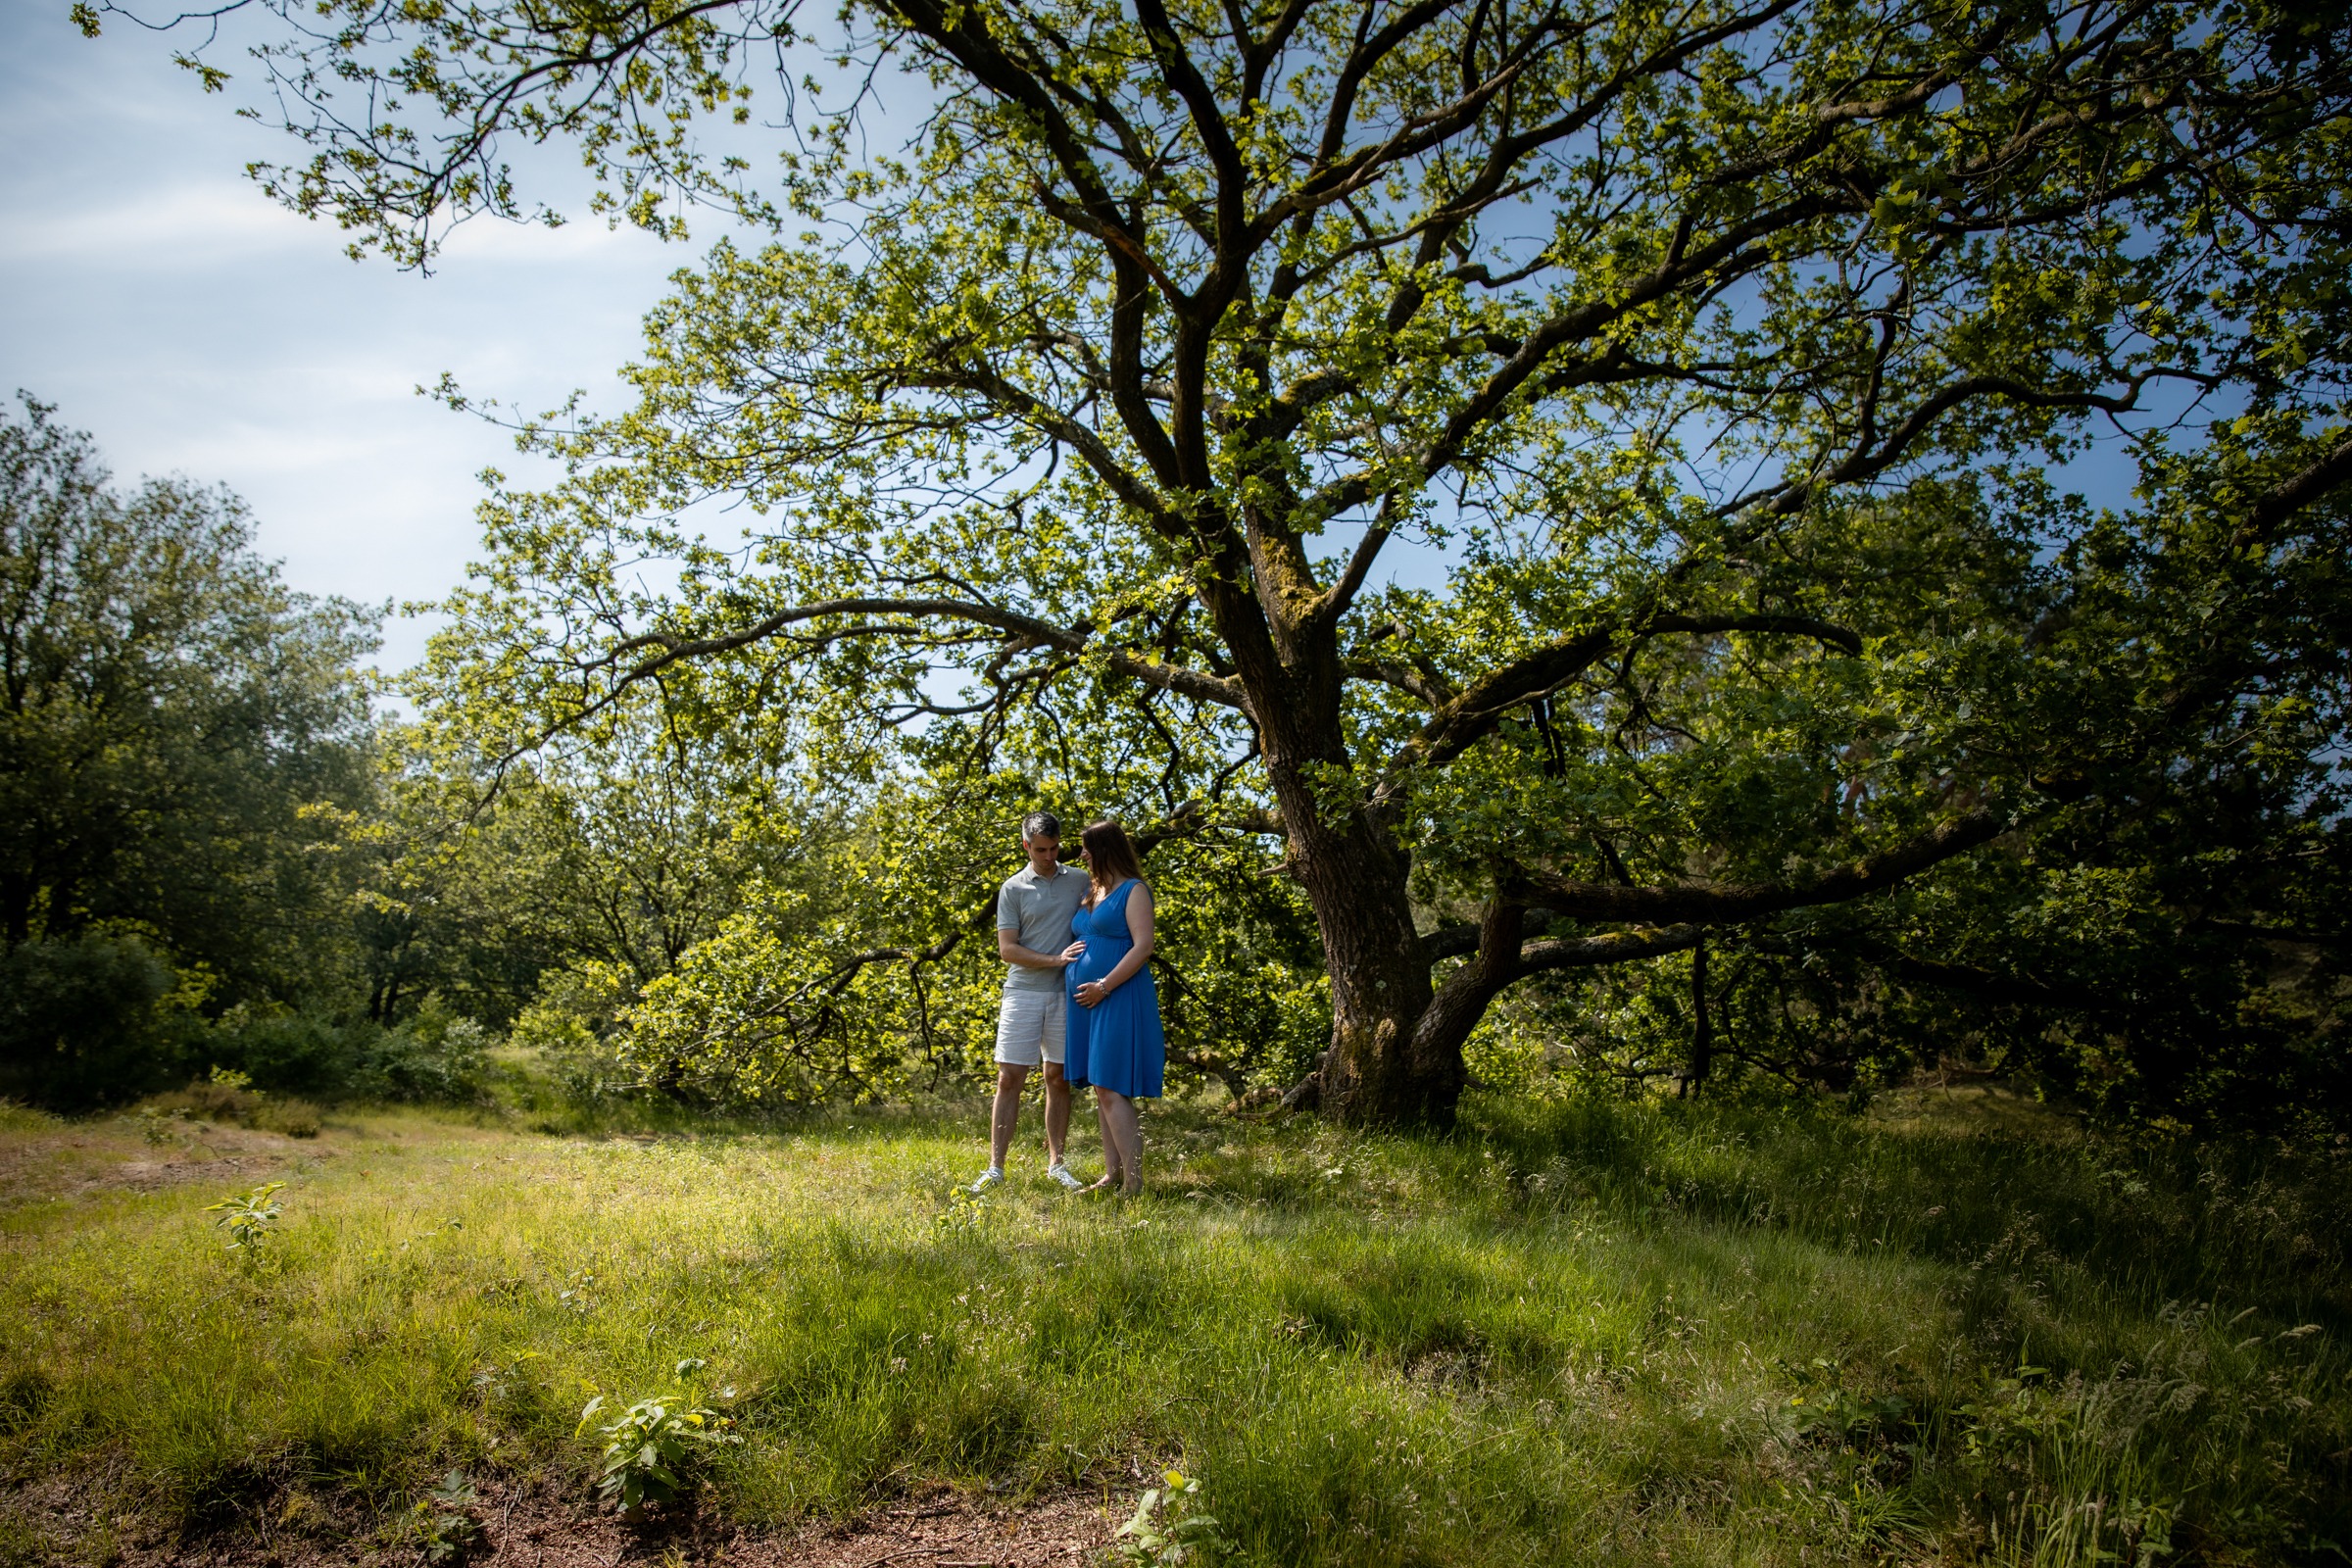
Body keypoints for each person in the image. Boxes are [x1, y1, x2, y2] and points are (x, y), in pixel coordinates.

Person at [971, 811, 1091, 1192]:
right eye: (1041, 849)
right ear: (1026, 845)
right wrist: (1056, 959)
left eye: (1055, 848)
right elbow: (1008, 950)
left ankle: (1057, 1164)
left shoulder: (1080, 880)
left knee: (1057, 1078)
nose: (1049, 855)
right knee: (1009, 1078)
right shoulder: (1012, 889)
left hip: (1066, 994)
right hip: (1022, 992)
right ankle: (995, 1169)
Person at [1059, 818, 1165, 1196]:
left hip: (1118, 995)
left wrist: (1103, 985)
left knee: (1111, 1085)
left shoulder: (1133, 890)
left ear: (1105, 848)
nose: (1082, 853)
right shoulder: (1093, 890)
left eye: (1087, 847)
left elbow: (1143, 946)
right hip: (1088, 1001)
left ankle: (1134, 1185)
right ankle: (1112, 1174)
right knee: (1101, 1086)